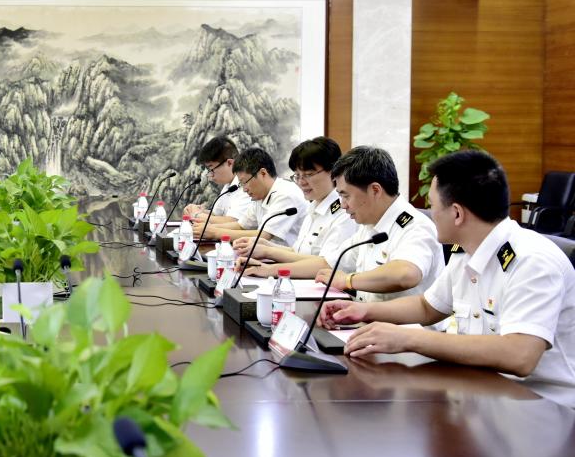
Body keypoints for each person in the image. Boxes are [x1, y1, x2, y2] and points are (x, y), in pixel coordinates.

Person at [320, 151, 575, 386]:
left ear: (457, 214)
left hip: (541, 406)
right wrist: (362, 311)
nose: (430, 214)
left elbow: (520, 355)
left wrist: (408, 339)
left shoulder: (532, 261)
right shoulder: (466, 252)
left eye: (433, 205)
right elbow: (427, 307)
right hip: (482, 389)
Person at [268, 145, 444, 303]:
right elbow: (329, 263)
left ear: (375, 190)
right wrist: (269, 270)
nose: (343, 205)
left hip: (403, 328)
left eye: (346, 196)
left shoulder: (415, 226)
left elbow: (406, 274)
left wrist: (348, 280)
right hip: (366, 322)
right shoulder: (369, 226)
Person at [233, 137, 356, 277]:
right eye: (297, 175)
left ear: (333, 171)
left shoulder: (345, 212)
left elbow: (326, 264)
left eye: (308, 175)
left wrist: (268, 256)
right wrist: (265, 245)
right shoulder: (314, 206)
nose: (301, 182)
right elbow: (298, 252)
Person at [192, 147, 308, 247]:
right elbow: (241, 226)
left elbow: (263, 235)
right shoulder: (259, 195)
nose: (244, 189)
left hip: (290, 260)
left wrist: (215, 232)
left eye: (245, 182)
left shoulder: (285, 194)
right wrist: (207, 228)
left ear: (263, 173)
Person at [183, 136, 251, 227]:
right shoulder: (228, 185)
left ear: (230, 163)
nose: (209, 175)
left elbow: (233, 222)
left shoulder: (247, 186)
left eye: (211, 169)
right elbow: (217, 215)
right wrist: (199, 210)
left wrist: (196, 215)